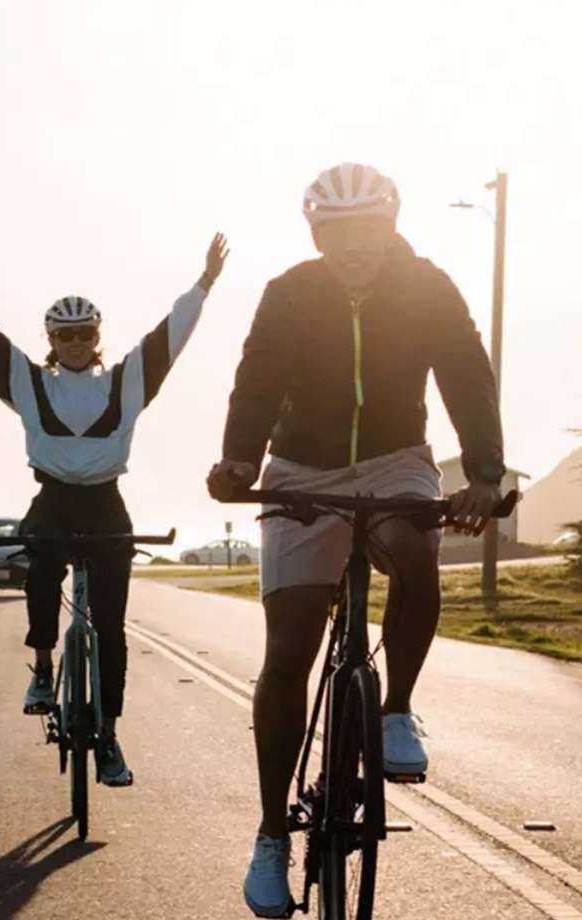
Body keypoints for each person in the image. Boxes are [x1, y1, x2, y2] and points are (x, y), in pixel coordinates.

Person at [205, 163, 505, 917]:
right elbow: (257, 380)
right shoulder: (289, 293)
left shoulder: (428, 287)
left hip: (395, 457)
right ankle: (272, 836)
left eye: (368, 229)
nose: (354, 246)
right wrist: (239, 459)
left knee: (414, 551)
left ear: (390, 228)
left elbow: (467, 376)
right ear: (318, 236)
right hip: (301, 465)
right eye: (337, 232)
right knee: (290, 647)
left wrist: (483, 472)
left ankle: (395, 709)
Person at [0, 233, 228, 786]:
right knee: (40, 570)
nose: (77, 343)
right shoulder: (29, 383)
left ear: (98, 337)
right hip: (54, 499)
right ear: (51, 340)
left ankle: (108, 737)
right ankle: (42, 669)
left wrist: (204, 283)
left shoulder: (126, 382)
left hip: (107, 504)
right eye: (65, 335)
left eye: (86, 333)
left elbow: (170, 336)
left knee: (110, 628)